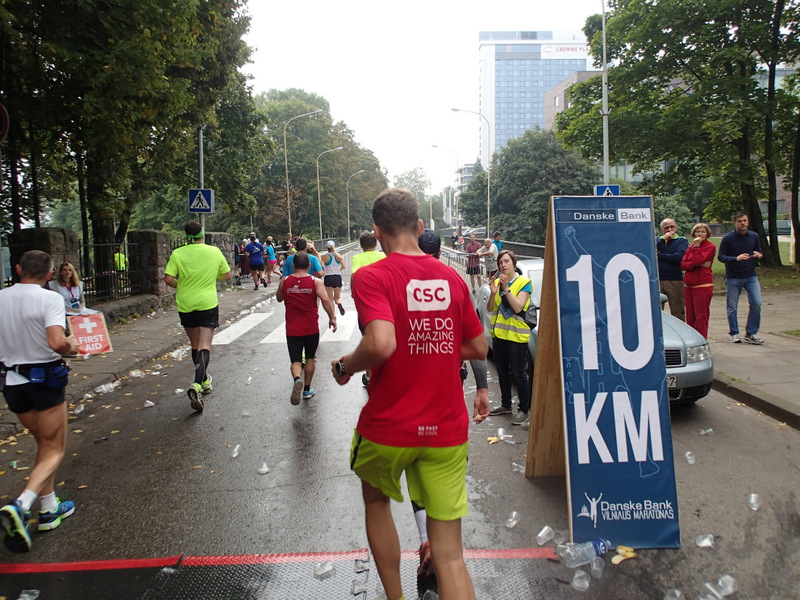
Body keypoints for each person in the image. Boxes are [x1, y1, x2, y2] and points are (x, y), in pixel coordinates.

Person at [331, 188, 487, 600]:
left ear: (378, 233)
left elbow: (381, 343)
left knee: (377, 502)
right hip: (446, 430)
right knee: (451, 557)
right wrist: (434, 341)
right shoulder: (451, 277)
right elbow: (478, 346)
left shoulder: (372, 275)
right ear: (419, 227)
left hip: (388, 428)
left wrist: (346, 365)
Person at [415, 228, 491, 596]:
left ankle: (425, 544)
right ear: (442, 252)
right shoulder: (453, 282)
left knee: (415, 474)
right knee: (443, 480)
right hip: (446, 404)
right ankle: (443, 554)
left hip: (409, 404)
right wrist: (482, 388)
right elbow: (476, 345)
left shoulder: (397, 280)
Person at [0, 250, 80, 553]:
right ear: (49, 274)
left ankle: (49, 510)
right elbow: (57, 342)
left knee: (43, 446)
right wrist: (73, 346)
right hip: (44, 381)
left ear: (19, 269)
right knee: (54, 450)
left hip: (12, 383)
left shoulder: (1, 297)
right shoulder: (49, 299)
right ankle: (22, 505)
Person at [164, 221, 232, 412]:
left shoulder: (178, 253)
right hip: (207, 303)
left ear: (186, 236)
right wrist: (211, 277)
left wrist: (182, 284)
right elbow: (227, 275)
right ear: (202, 234)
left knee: (195, 345)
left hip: (185, 303)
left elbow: (168, 279)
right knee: (204, 345)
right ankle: (197, 384)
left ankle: (203, 380)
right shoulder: (214, 252)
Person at [276, 251, 336, 404]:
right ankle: (307, 389)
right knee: (310, 358)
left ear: (293, 265)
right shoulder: (316, 282)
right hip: (311, 328)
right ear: (309, 266)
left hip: (292, 328)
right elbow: (325, 300)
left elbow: (279, 298)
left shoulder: (285, 280)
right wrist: (332, 318)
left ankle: (297, 379)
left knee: (296, 360)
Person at [487, 249, 533, 427]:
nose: (503, 265)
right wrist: (493, 293)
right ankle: (506, 404)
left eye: (506, 261)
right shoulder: (497, 282)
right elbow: (491, 308)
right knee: (503, 373)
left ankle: (524, 410)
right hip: (499, 335)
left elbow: (517, 307)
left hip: (516, 336)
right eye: (500, 263)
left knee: (519, 374)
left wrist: (506, 289)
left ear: (514, 263)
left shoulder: (524, 283)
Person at [718, 211, 764, 344]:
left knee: (756, 302)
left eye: (744, 220)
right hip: (733, 277)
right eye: (740, 221)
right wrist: (735, 258)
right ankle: (734, 332)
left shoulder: (753, 236)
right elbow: (721, 256)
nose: (743, 223)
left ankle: (751, 332)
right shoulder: (728, 238)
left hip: (750, 276)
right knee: (732, 306)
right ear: (735, 223)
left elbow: (759, 250)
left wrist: (758, 255)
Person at [351, 231, 387, 388]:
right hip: (384, 303)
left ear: (361, 245)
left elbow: (354, 277)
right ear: (376, 243)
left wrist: (355, 295)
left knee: (367, 338)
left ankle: (369, 374)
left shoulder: (357, 258)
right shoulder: (383, 257)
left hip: (366, 304)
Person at [680, 223, 716, 339]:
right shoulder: (690, 247)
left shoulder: (709, 247)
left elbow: (697, 260)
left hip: (702, 285)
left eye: (703, 232)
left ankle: (701, 341)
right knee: (690, 317)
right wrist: (696, 265)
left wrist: (696, 248)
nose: (700, 234)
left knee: (701, 316)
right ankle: (691, 340)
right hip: (689, 285)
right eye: (697, 232)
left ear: (707, 234)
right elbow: (683, 264)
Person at [656, 218, 688, 321]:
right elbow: (650, 253)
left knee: (678, 311)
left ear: (676, 227)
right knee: (657, 311)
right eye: (666, 228)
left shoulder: (681, 241)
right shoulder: (657, 241)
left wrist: (659, 256)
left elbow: (678, 257)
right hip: (657, 280)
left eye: (672, 227)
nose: (670, 230)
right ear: (661, 230)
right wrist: (662, 240)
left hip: (674, 280)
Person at [323, 240, 346, 315]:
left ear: (327, 247)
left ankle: (333, 315)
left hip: (328, 277)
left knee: (330, 298)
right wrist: (338, 270)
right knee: (337, 297)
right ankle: (339, 303)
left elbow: (322, 266)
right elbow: (344, 266)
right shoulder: (338, 255)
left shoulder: (325, 256)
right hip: (337, 277)